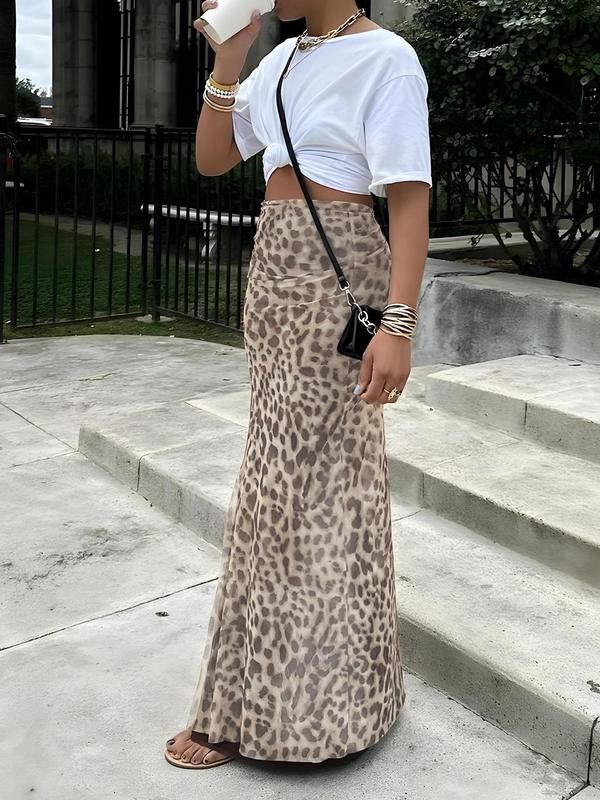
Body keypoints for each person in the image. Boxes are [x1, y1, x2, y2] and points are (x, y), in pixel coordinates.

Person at [164, 0, 431, 769]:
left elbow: (408, 197)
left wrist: (398, 324)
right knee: (279, 479)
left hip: (338, 273)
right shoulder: (280, 62)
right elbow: (213, 159)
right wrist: (229, 61)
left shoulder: (387, 58)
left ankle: (296, 714)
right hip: (274, 273)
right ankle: (294, 703)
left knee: (305, 484)